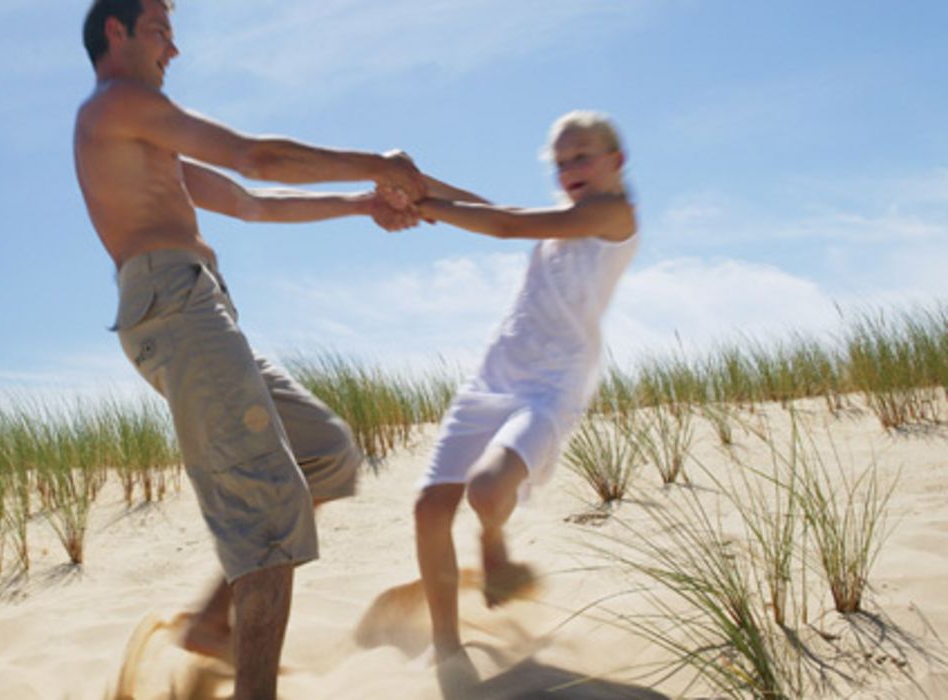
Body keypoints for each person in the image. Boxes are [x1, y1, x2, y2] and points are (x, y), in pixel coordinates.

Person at [73, 1, 423, 696]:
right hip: (174, 307)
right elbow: (255, 155)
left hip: (201, 306)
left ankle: (210, 625)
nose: (173, 49)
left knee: (324, 451)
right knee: (266, 509)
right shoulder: (117, 104)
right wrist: (376, 162)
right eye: (159, 31)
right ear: (116, 32)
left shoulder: (149, 140)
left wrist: (361, 202)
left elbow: (253, 201)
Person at [408, 111, 639, 661]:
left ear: (615, 161)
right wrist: (416, 184)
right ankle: (447, 648)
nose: (570, 169)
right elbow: (501, 212)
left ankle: (492, 543)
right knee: (428, 508)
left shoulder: (614, 213)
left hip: (551, 388)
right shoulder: (563, 219)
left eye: (582, 156)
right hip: (494, 374)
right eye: (560, 162)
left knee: (487, 490)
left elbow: (508, 227)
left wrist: (422, 207)